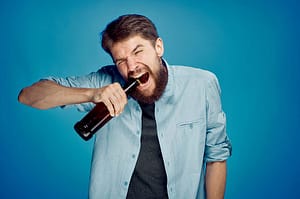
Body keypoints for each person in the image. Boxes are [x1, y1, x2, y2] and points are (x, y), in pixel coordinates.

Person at [18, 14, 232, 199]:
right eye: (121, 60)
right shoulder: (103, 82)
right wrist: (92, 94)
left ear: (158, 47)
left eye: (138, 52)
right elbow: (28, 96)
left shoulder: (202, 84)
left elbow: (217, 158)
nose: (131, 67)